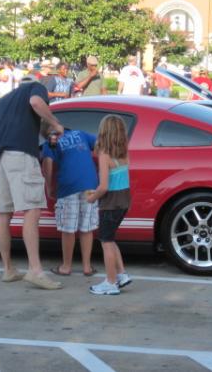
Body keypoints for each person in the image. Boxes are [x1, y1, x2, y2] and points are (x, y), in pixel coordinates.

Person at [0, 76, 65, 290]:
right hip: (20, 155)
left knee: (4, 214)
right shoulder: (36, 87)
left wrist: (45, 129)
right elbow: (36, 103)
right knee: (32, 210)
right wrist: (56, 123)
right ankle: (35, 270)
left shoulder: (4, 100)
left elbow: (23, 122)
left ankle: (8, 269)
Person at [41, 121, 99, 277]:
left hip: (68, 186)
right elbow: (100, 145)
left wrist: (48, 186)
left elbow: (47, 163)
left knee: (68, 229)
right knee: (86, 227)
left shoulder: (50, 142)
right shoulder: (80, 133)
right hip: (90, 184)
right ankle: (87, 267)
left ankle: (66, 267)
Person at [86, 115, 132, 295]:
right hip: (123, 201)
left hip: (110, 203)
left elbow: (104, 186)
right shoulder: (124, 152)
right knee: (110, 239)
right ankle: (121, 274)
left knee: (105, 242)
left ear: (103, 132)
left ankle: (110, 282)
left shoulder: (104, 154)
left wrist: (92, 197)